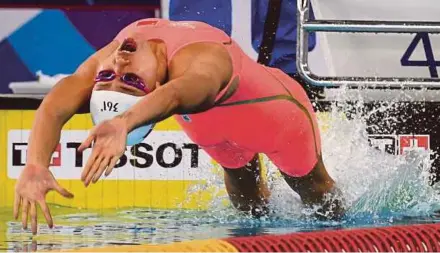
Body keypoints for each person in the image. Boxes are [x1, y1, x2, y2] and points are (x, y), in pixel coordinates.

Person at [13, 18, 344, 235]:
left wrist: (121, 124)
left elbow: (177, 92)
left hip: (278, 121)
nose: (117, 63)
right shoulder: (182, 69)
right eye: (127, 80)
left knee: (320, 201)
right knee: (249, 210)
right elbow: (177, 94)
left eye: (109, 77)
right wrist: (36, 163)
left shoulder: (188, 59)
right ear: (152, 86)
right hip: (214, 132)